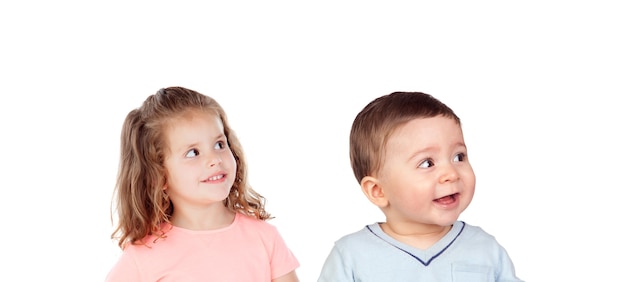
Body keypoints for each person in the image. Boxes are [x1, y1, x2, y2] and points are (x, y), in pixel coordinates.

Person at [318, 92, 522, 281]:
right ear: (378, 191)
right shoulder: (351, 256)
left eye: (458, 157)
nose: (451, 174)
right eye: (427, 163)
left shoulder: (486, 249)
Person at [106, 86, 299, 282]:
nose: (214, 159)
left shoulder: (265, 238)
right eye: (193, 152)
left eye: (219, 144)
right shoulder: (143, 257)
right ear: (159, 176)